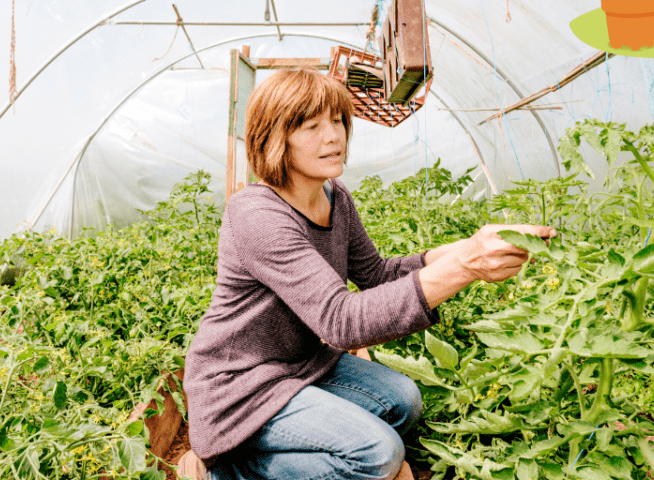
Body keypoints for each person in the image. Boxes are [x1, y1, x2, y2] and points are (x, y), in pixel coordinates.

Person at [178, 68, 556, 480]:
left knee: (403, 402)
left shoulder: (334, 196)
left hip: (301, 364)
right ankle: (225, 471)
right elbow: (342, 322)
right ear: (275, 137)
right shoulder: (256, 214)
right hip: (240, 387)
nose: (334, 136)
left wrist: (466, 249)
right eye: (311, 126)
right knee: (378, 453)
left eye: (338, 121)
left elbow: (377, 274)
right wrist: (464, 268)